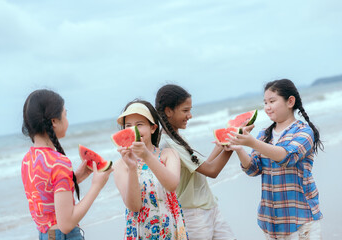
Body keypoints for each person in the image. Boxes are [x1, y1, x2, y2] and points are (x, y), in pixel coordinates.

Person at [224, 79, 324, 239]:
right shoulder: (264, 134)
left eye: (272, 101)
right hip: (272, 221)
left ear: (290, 101)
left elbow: (287, 157)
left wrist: (253, 142)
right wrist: (239, 149)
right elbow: (253, 169)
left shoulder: (304, 132)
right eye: (265, 102)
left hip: (301, 220)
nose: (267, 107)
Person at [21, 89, 113, 240]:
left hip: (46, 236)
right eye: (65, 114)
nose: (67, 120)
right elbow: (66, 224)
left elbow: (46, 195)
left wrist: (75, 179)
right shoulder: (59, 162)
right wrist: (97, 185)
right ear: (54, 122)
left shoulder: (28, 159)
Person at [155, 84, 241, 240]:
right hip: (193, 216)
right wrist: (232, 146)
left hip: (209, 208)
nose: (190, 115)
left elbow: (203, 167)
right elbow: (211, 171)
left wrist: (223, 144)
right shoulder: (169, 144)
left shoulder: (177, 139)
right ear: (168, 111)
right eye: (185, 110)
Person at [113, 100, 188, 240]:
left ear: (152, 128)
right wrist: (132, 167)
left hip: (170, 229)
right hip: (140, 232)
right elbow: (134, 206)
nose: (133, 130)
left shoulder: (168, 154)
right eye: (128, 125)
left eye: (139, 124)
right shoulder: (120, 165)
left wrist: (146, 156)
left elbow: (172, 185)